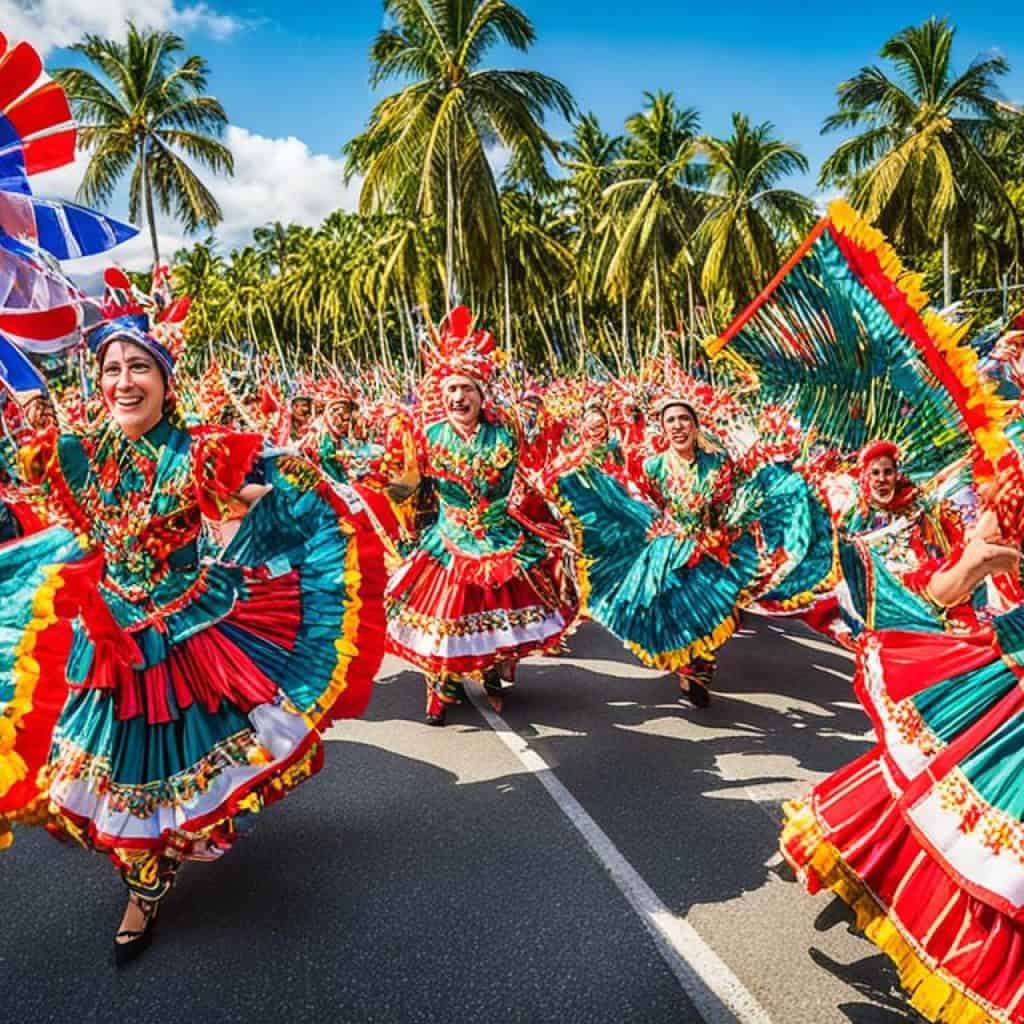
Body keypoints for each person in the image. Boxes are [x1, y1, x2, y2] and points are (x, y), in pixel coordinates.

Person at [0, 297, 388, 964]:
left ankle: (149, 876)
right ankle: (145, 874)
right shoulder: (75, 453)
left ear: (166, 380)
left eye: (139, 367)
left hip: (186, 630)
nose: (124, 380)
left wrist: (302, 484)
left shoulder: (201, 451)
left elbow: (265, 488)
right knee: (95, 777)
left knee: (179, 763)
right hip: (105, 641)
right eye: (112, 368)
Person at [782, 456, 1024, 1024]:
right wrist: (972, 569)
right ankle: (872, 877)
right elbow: (950, 580)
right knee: (950, 804)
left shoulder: (940, 503)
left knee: (958, 814)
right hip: (1000, 668)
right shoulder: (1012, 481)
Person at [556, 395, 835, 706]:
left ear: (695, 425)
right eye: (671, 421)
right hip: (672, 550)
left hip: (714, 547)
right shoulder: (653, 467)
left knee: (710, 609)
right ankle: (691, 666)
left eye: (683, 419)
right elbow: (641, 504)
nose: (678, 426)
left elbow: (742, 495)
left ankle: (699, 664)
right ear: (662, 429)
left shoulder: (718, 462)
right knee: (675, 611)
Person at [385, 307, 579, 725]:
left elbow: (529, 477)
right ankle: (442, 689)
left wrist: (559, 505)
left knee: (498, 615)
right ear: (442, 395)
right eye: (452, 389)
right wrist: (372, 490)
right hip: (450, 538)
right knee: (446, 618)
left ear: (481, 394)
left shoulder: (505, 432)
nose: (459, 397)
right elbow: (408, 486)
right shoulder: (426, 436)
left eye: (467, 389)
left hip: (499, 537)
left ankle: (492, 668)